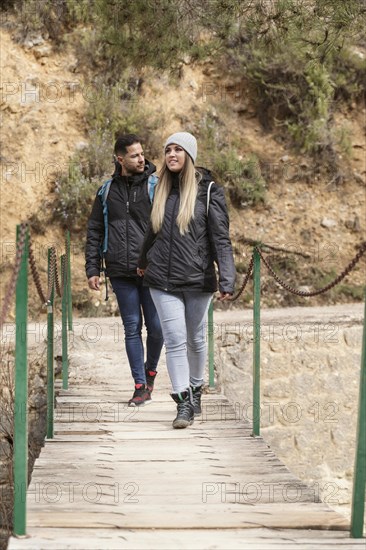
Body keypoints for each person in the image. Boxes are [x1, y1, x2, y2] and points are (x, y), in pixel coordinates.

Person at [137, 132, 236, 428]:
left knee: (195, 338)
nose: (172, 154)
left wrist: (227, 279)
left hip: (197, 278)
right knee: (175, 339)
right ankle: (182, 404)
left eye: (178, 149)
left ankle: (195, 389)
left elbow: (221, 238)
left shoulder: (209, 191)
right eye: (168, 150)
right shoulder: (161, 191)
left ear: (189, 155)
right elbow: (151, 232)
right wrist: (143, 262)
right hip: (161, 280)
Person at [85, 134, 164, 407]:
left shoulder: (156, 186)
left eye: (142, 154)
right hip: (119, 270)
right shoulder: (106, 191)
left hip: (152, 271)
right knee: (132, 327)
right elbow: (95, 230)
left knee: (156, 328)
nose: (141, 159)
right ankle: (140, 386)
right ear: (120, 159)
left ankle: (150, 371)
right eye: (134, 155)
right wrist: (92, 268)